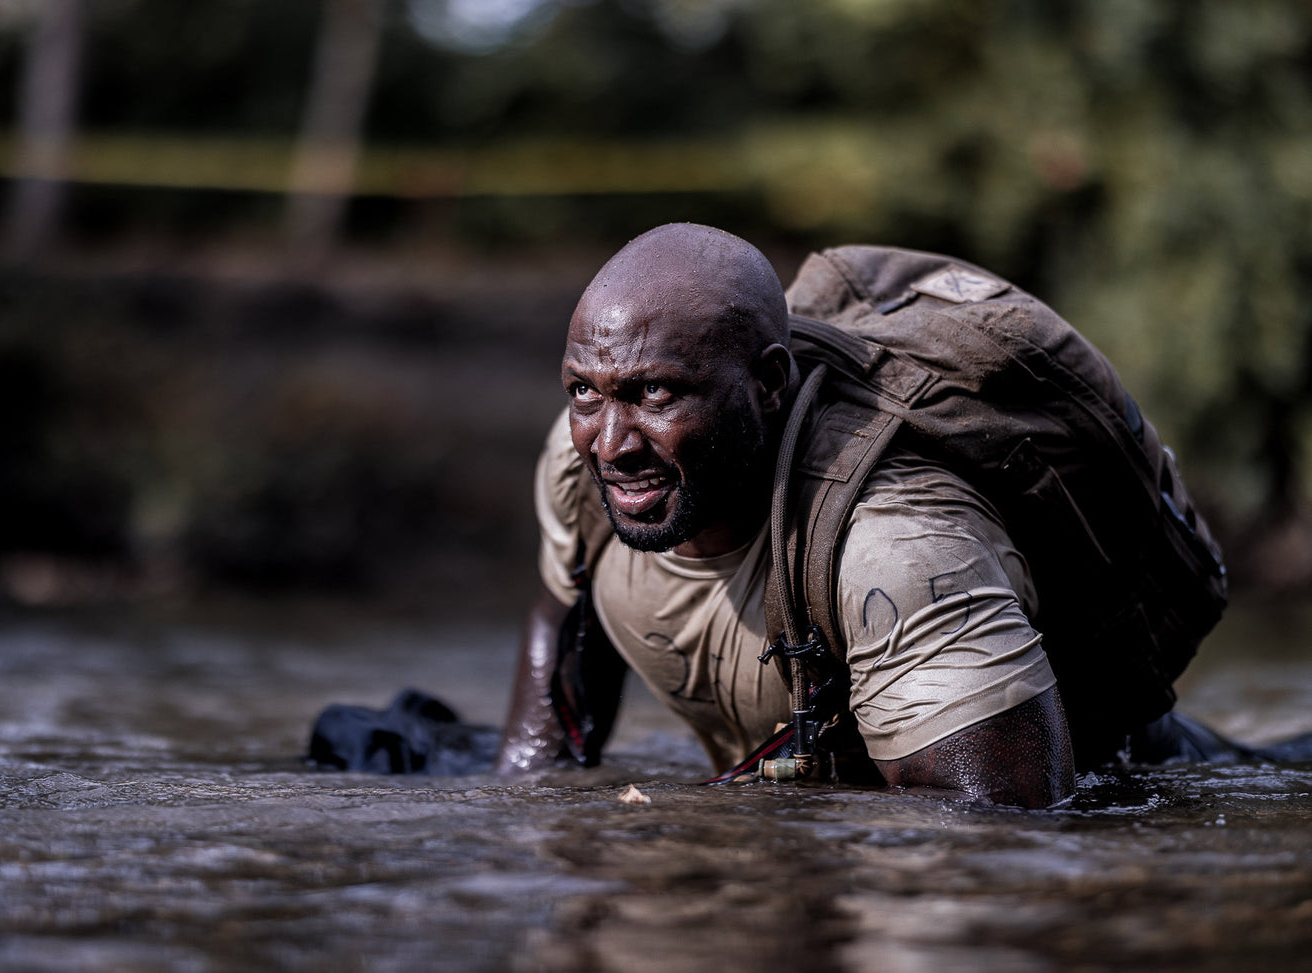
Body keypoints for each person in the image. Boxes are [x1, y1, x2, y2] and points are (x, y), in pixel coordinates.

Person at [494, 222, 1251, 808]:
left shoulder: (895, 549)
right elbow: (561, 629)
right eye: (585, 390)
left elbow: (991, 842)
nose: (612, 443)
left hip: (1133, 777)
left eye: (656, 393)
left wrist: (721, 834)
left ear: (768, 384)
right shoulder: (576, 457)